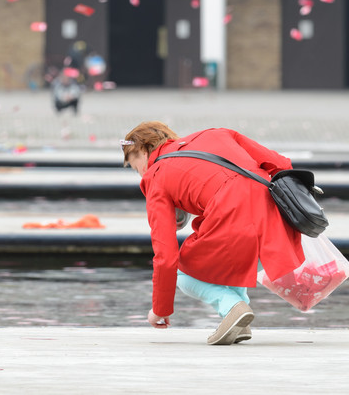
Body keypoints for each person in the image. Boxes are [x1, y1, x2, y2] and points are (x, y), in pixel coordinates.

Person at [121, 121, 304, 345]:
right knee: (229, 262)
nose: (140, 174)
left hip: (235, 224)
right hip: (279, 225)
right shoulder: (217, 134)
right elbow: (281, 164)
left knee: (184, 273)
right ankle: (240, 321)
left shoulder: (155, 178)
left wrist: (159, 310)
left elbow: (166, 257)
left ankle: (232, 309)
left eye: (135, 165)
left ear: (141, 150)